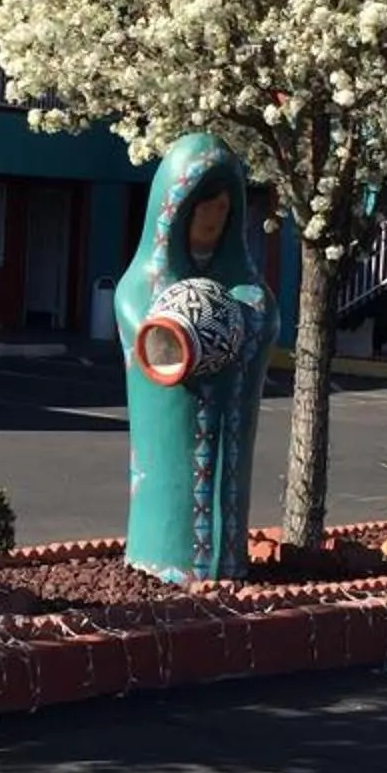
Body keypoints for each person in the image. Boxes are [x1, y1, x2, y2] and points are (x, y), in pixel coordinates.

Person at [115, 133, 274, 582]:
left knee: (227, 489)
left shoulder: (244, 282)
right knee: (170, 489)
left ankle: (226, 562)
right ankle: (161, 561)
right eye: (203, 207)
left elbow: (261, 316)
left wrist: (237, 320)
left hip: (229, 424)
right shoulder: (141, 286)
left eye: (223, 209)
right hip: (174, 425)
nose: (212, 219)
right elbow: (146, 328)